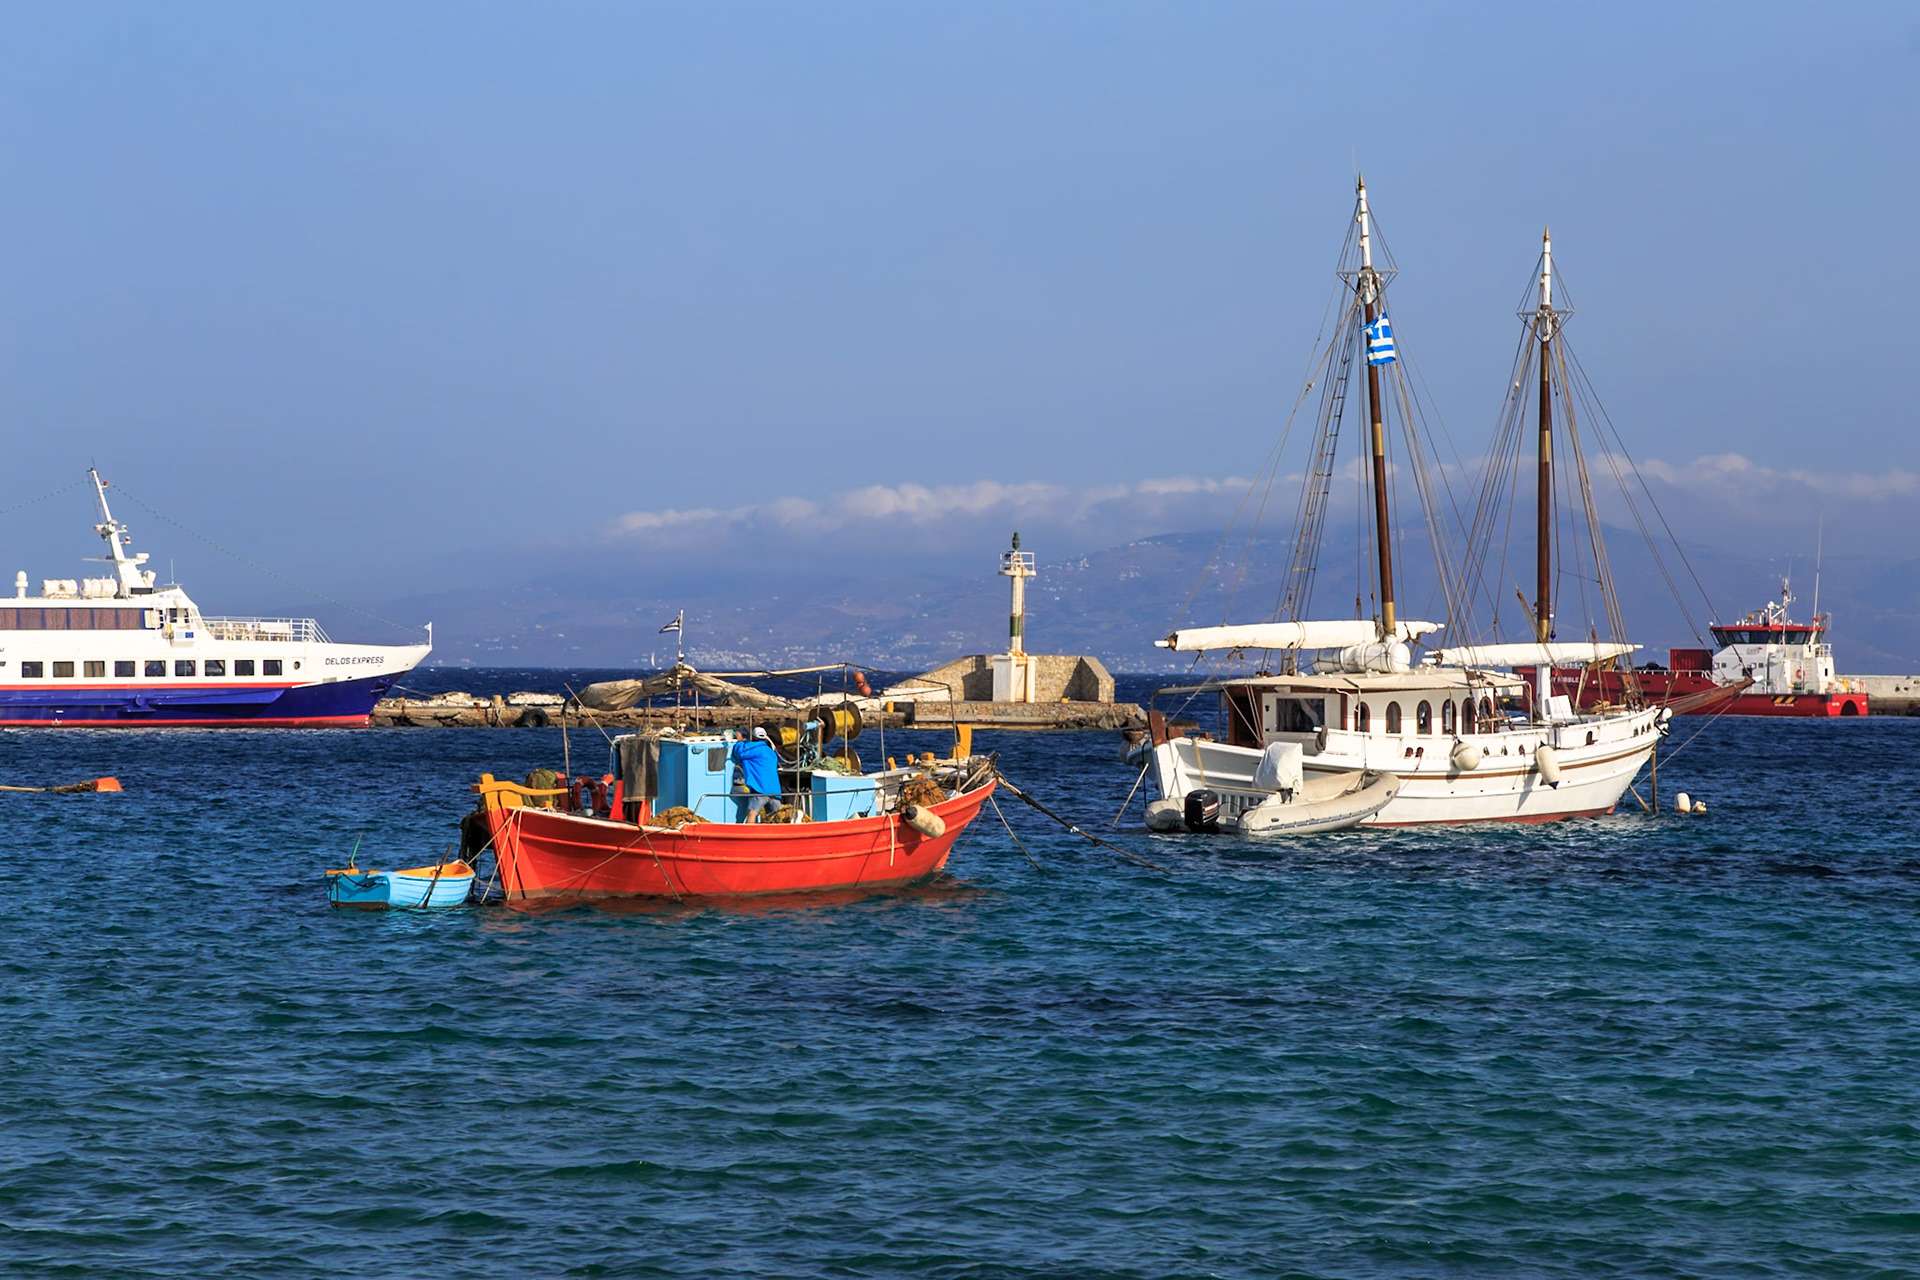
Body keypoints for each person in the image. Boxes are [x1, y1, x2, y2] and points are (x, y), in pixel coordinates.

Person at [731, 726, 782, 822]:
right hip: (774, 790)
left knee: (752, 813)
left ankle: (749, 834)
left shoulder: (755, 749)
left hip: (760, 789)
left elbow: (740, 753)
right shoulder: (770, 751)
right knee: (776, 817)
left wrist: (740, 741)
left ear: (753, 737)